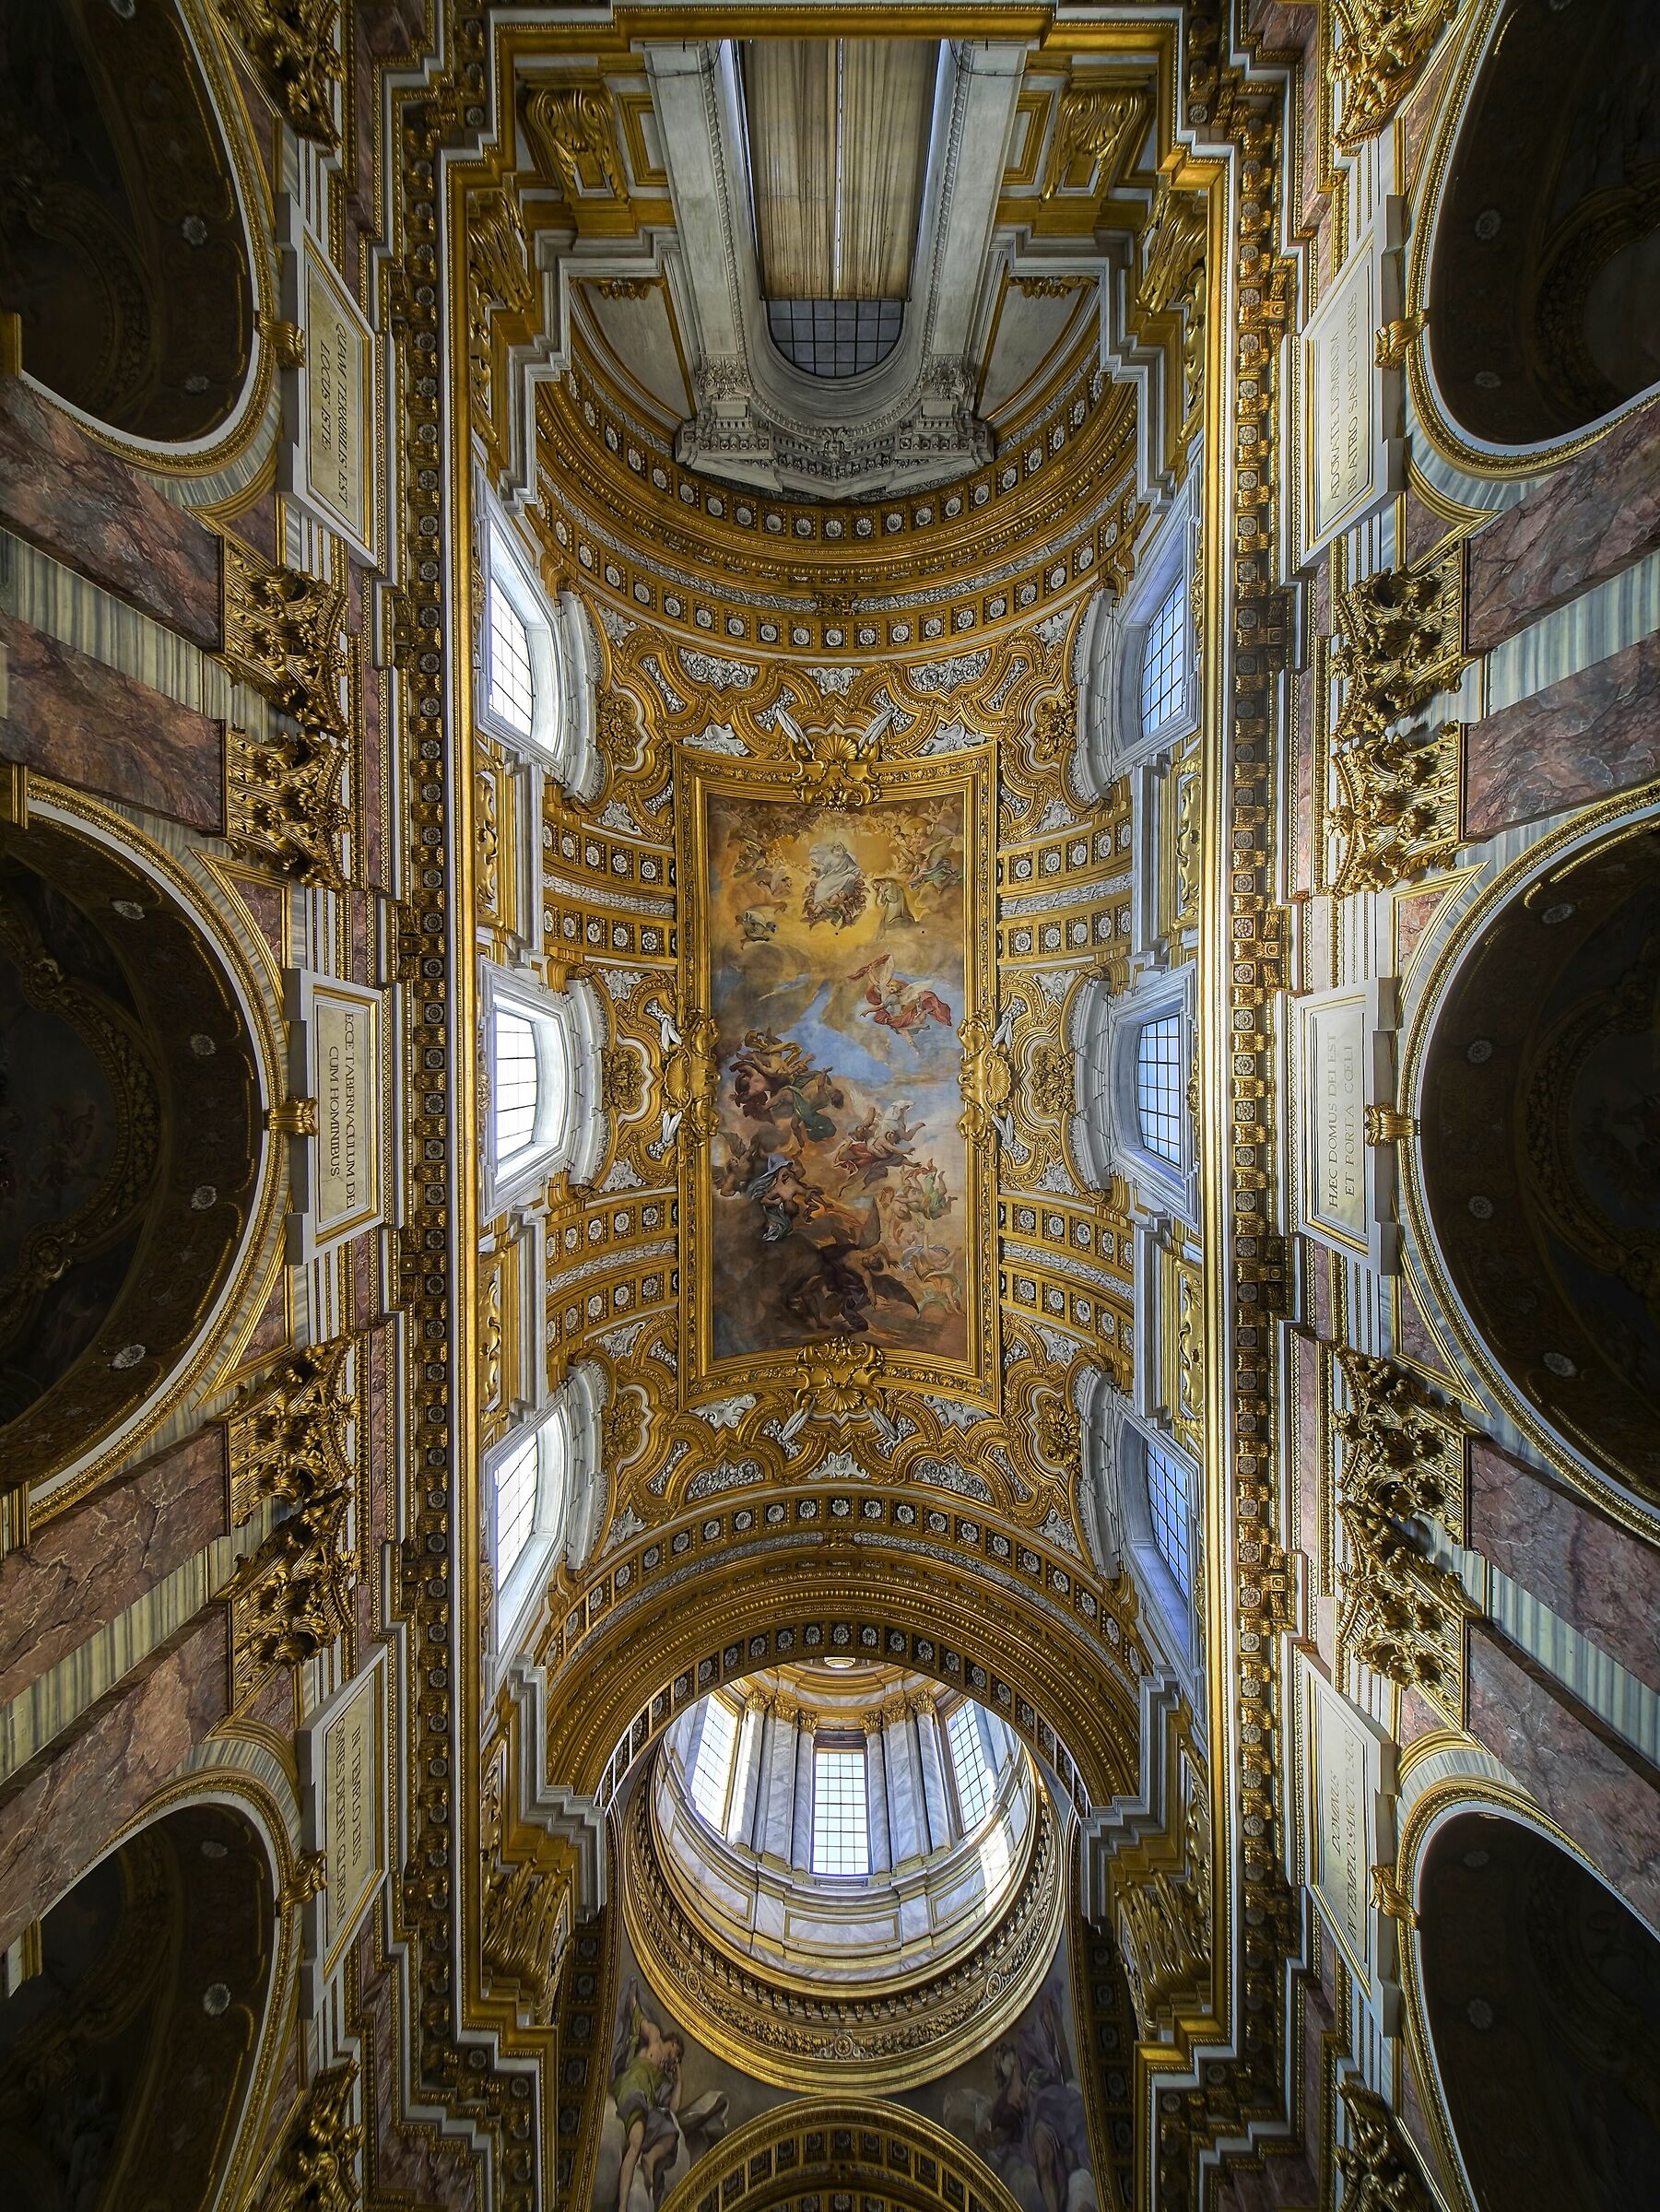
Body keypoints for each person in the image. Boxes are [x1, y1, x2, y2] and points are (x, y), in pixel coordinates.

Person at [609, 1977, 685, 2212]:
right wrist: (632, 1994)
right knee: (635, 2142)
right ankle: (622, 2207)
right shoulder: (655, 2037)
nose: (676, 2058)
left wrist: (678, 2078)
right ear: (671, 2042)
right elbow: (636, 2015)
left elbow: (673, 2108)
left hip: (645, 2102)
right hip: (633, 2086)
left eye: (679, 2058)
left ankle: (650, 2158)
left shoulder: (663, 2076)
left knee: (671, 2135)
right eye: (677, 2052)